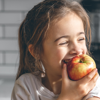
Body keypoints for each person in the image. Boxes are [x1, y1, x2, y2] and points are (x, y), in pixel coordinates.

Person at [11, 0, 100, 100]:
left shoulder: (89, 82)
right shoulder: (26, 87)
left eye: (81, 39)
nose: (77, 50)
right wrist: (68, 97)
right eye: (63, 42)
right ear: (36, 51)